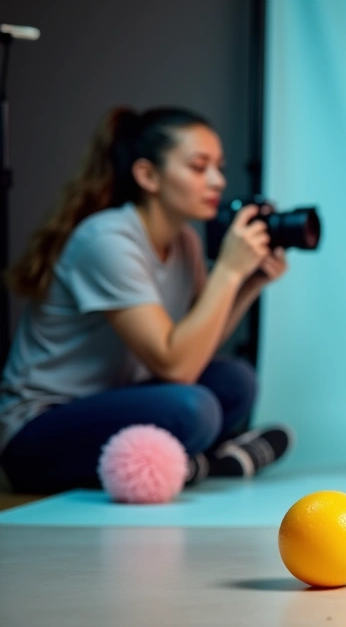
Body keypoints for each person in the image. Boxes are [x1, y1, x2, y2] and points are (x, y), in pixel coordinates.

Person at [0, 106, 293, 494]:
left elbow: (193, 346)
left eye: (219, 167)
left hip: (117, 401)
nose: (217, 181)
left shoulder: (184, 242)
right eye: (198, 166)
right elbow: (176, 367)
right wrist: (228, 270)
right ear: (147, 175)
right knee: (193, 408)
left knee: (236, 381)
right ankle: (199, 463)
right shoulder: (107, 240)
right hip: (38, 432)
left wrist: (248, 283)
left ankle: (183, 463)